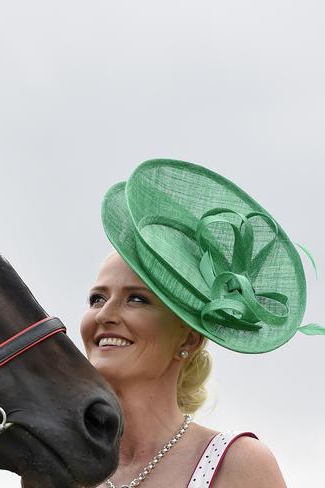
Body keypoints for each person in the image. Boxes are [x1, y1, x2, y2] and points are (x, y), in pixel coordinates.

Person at [81, 159, 323, 487]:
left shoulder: (238, 465)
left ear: (189, 339)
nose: (104, 314)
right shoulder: (62, 469)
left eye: (136, 299)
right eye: (97, 298)